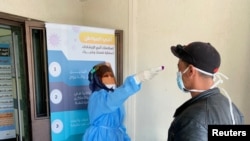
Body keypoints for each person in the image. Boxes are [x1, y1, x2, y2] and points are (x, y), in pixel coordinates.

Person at [167, 41, 244, 141]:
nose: (178, 73)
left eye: (179, 68)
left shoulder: (191, 120)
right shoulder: (233, 110)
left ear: (191, 71)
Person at [83, 62, 164, 141]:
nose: (110, 78)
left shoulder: (112, 95)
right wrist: (136, 79)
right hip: (99, 137)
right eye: (106, 76)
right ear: (97, 79)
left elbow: (119, 127)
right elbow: (114, 98)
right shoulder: (97, 97)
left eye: (111, 75)